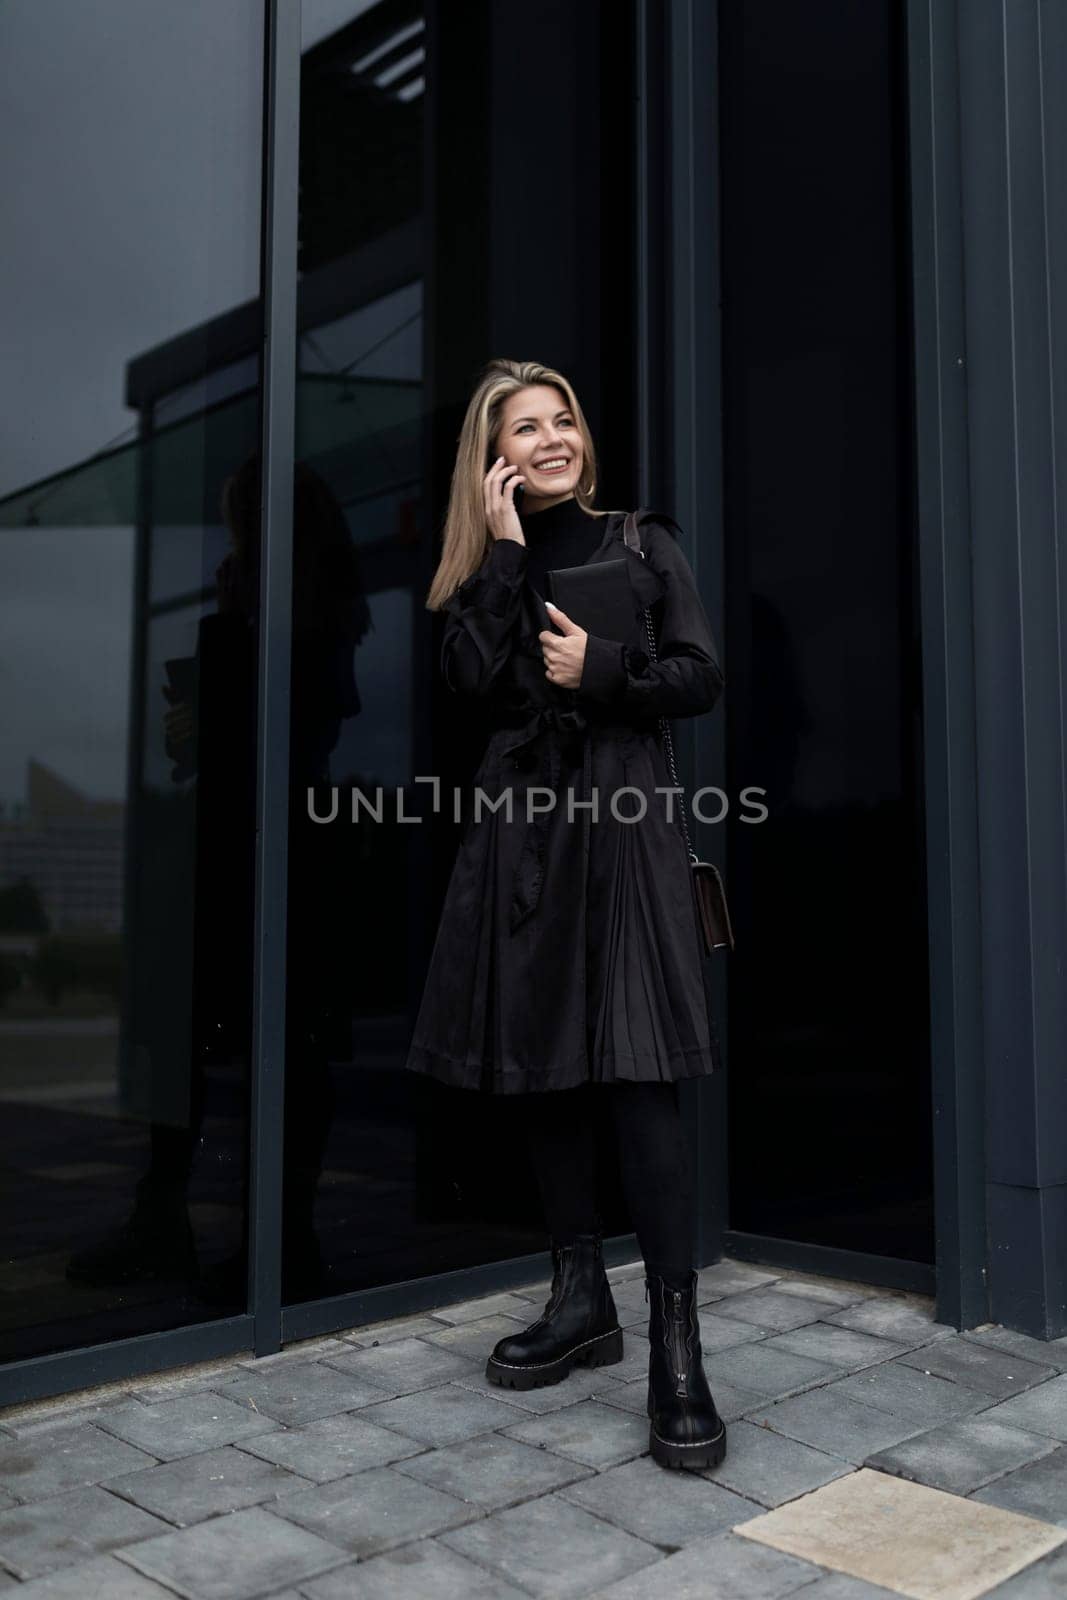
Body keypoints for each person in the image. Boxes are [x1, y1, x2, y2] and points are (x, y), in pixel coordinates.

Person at [403, 358, 727, 1471]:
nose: (549, 442)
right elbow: (464, 679)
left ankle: (674, 1348)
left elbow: (696, 674)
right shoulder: (479, 567)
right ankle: (579, 1293)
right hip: (525, 836)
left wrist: (603, 666)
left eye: (561, 422)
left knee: (639, 1074)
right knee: (545, 1067)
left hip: (625, 828)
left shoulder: (640, 543)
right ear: (489, 459)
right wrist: (496, 559)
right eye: (523, 430)